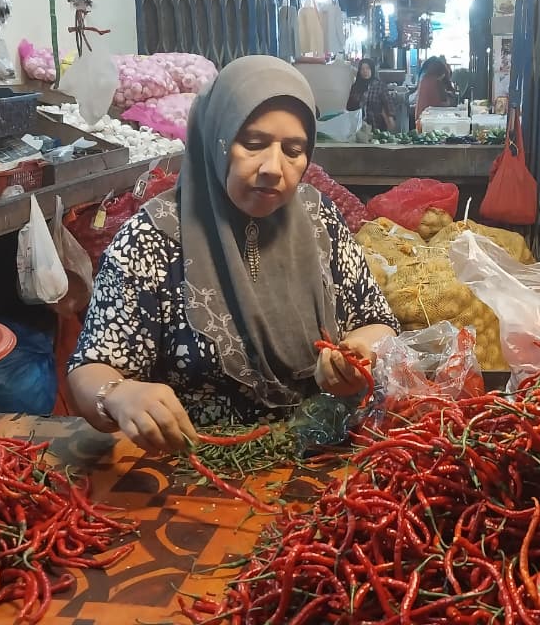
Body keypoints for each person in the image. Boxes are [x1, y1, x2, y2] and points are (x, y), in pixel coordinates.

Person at [68, 56, 399, 453]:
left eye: (293, 150)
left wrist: (361, 353)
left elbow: (378, 322)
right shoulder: (151, 238)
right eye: (253, 144)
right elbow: (90, 367)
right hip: (200, 464)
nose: (273, 167)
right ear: (217, 138)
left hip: (324, 453)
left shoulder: (319, 219)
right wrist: (118, 394)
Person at [415, 56, 455, 123]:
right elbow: (436, 105)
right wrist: (448, 102)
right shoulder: (431, 82)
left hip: (421, 119)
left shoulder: (425, 79)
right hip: (427, 120)